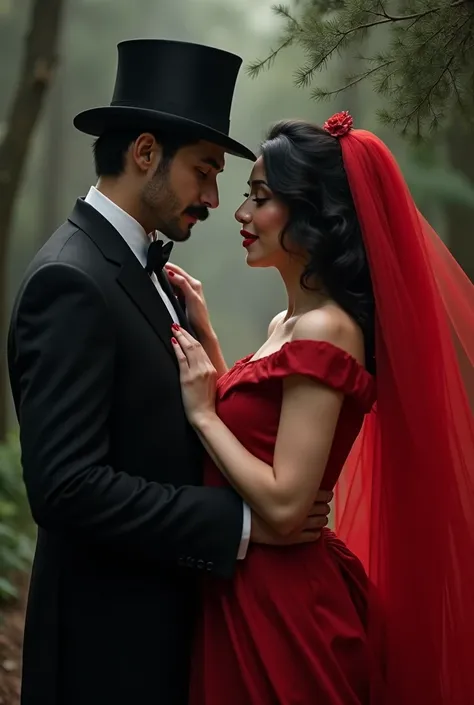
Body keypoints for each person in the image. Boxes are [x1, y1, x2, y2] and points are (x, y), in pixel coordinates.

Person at [7, 40, 332, 705]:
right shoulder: (71, 280)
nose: (214, 197)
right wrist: (241, 522)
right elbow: (66, 487)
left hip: (168, 634)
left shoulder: (155, 277)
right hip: (104, 652)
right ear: (145, 153)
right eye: (204, 171)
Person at [168, 114, 474, 704]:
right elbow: (262, 430)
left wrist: (203, 414)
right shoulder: (290, 324)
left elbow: (286, 506)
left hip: (283, 609)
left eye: (260, 198)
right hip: (250, 588)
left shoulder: (328, 330)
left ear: (312, 214)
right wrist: (208, 340)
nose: (241, 214)